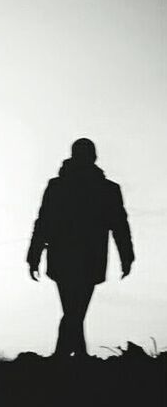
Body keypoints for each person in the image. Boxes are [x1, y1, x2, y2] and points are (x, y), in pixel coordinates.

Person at [27, 139, 134, 357]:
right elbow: (44, 221)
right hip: (78, 256)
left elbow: (119, 224)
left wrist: (127, 256)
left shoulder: (100, 189)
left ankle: (67, 356)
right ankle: (72, 356)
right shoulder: (101, 189)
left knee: (74, 310)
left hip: (74, 256)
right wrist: (33, 256)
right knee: (75, 310)